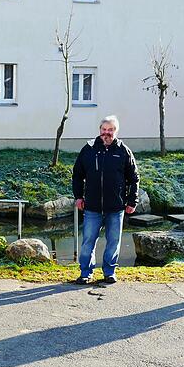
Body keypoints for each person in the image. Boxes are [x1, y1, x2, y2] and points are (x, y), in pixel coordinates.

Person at [72, 115, 139, 285]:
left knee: (113, 242)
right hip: (92, 207)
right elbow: (77, 175)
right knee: (88, 241)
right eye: (104, 129)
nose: (106, 133)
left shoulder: (123, 151)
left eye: (110, 130)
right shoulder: (89, 149)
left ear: (116, 131)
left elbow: (134, 178)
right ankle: (86, 273)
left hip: (115, 208)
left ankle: (109, 272)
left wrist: (132, 201)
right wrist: (78, 197)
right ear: (99, 130)